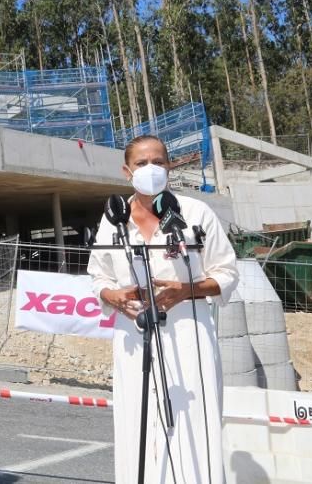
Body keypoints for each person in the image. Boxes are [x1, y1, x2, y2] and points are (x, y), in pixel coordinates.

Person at [88, 135, 238, 484]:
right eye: (142, 163)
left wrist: (187, 291)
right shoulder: (114, 220)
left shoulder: (196, 213)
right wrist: (112, 296)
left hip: (189, 335)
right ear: (127, 171)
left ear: (169, 167)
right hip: (133, 336)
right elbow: (97, 275)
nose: (151, 169)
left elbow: (228, 273)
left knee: (193, 424)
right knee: (138, 424)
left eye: (158, 161)